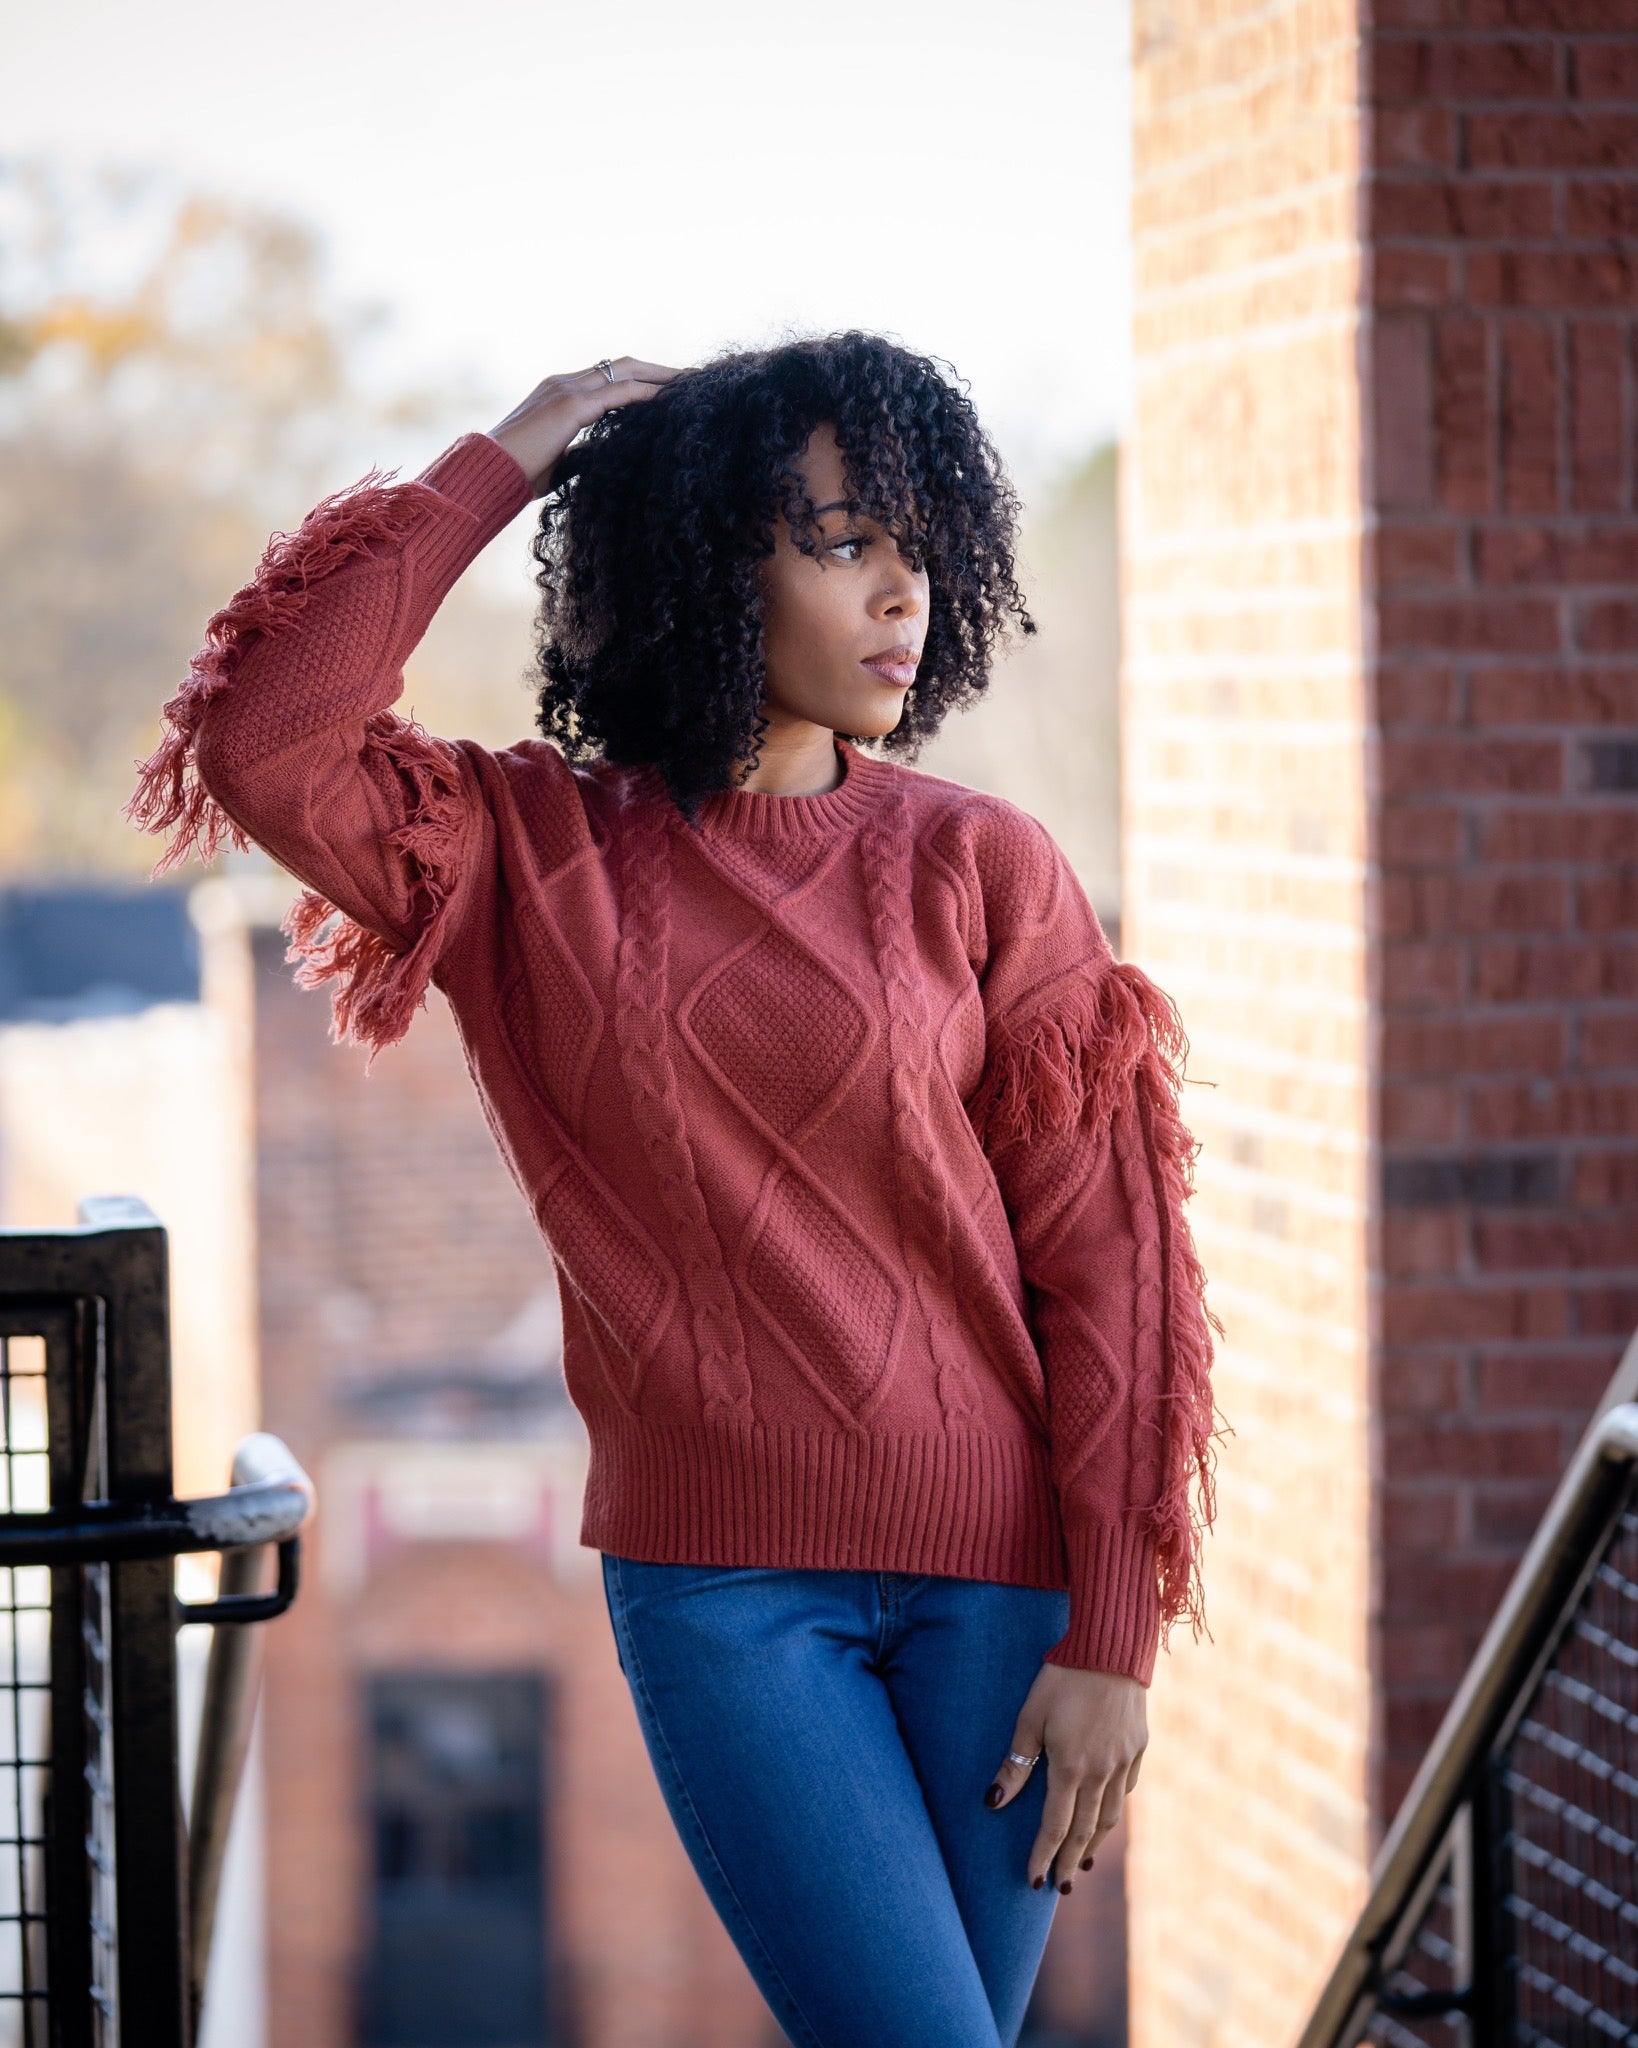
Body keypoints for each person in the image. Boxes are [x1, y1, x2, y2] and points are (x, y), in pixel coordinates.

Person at [130, 332, 1219, 2048]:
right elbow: (268, 735)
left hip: (1005, 1594)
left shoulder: (978, 863)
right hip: (727, 1600)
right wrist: (511, 452)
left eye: (921, 549)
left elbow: (1115, 1269)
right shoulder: (515, 854)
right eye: (845, 539)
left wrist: (1113, 1636)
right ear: (713, 562)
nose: (899, 595)